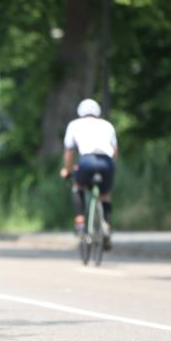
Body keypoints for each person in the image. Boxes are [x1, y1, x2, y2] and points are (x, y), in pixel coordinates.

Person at [60, 98, 118, 248]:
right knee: (105, 195)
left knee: (78, 186)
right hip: (106, 162)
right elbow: (115, 151)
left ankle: (80, 220)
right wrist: (111, 166)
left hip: (86, 161)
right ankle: (106, 226)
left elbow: (69, 150)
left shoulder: (74, 124)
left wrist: (67, 169)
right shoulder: (107, 125)